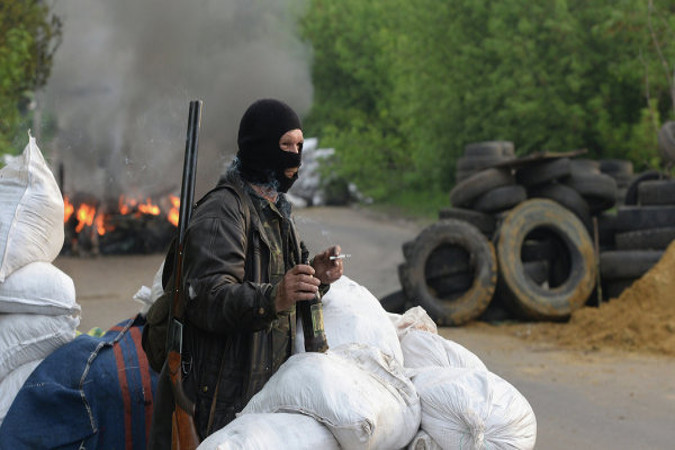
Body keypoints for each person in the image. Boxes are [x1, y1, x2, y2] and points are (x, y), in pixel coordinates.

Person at [148, 98, 343, 446]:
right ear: (260, 147)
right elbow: (206, 299)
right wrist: (276, 296)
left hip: (253, 403)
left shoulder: (275, 210)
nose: (295, 156)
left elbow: (278, 287)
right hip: (214, 405)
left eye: (299, 145)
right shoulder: (223, 213)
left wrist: (314, 277)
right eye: (286, 145)